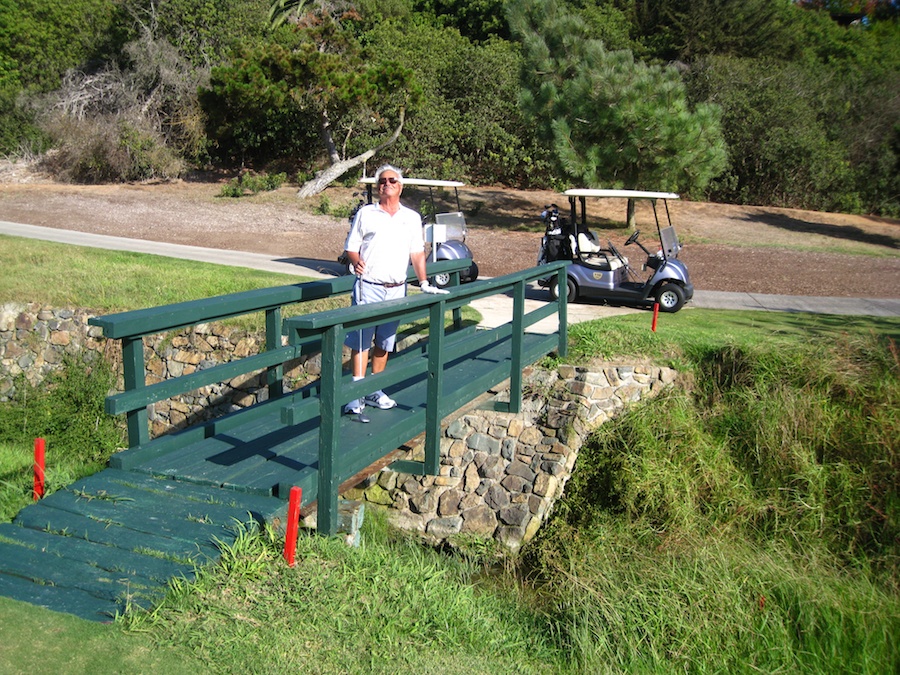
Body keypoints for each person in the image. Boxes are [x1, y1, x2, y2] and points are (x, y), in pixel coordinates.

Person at [342, 164, 449, 417]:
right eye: (381, 181)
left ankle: (375, 389)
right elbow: (351, 246)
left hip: (396, 290)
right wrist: (356, 260)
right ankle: (355, 395)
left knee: (385, 342)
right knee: (361, 341)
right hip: (368, 287)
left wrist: (423, 283)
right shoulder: (366, 213)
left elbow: (417, 252)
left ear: (400, 186)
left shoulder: (411, 217)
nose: (385, 184)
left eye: (391, 180)